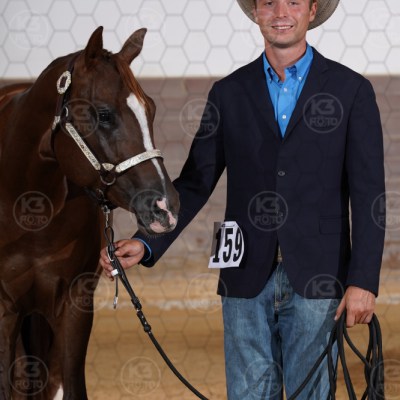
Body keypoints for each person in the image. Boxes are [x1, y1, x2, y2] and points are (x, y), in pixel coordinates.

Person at [100, 0, 386, 398]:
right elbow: (196, 182)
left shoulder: (351, 90)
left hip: (320, 279)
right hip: (243, 278)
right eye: (268, 2)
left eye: (293, 1)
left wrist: (362, 281)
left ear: (312, 10)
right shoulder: (228, 92)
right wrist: (147, 240)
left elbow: (370, 194)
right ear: (255, 12)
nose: (280, 12)